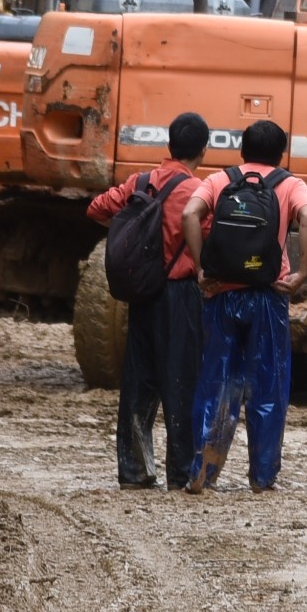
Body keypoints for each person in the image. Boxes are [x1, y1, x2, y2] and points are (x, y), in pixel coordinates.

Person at [180, 119, 307, 492]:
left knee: (215, 381)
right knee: (268, 386)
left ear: (242, 150)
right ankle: (262, 476)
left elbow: (190, 214)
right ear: (281, 153)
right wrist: (303, 272)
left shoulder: (219, 180)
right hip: (268, 295)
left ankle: (203, 471)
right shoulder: (290, 184)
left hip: (222, 293)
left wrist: (202, 268)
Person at [86, 111, 210, 489]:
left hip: (143, 293)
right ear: (203, 150)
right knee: (181, 382)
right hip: (180, 295)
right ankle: (182, 473)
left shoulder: (140, 182)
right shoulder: (198, 193)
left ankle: (135, 471)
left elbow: (96, 209)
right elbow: (209, 237)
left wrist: (135, 230)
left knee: (139, 381)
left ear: (169, 144)